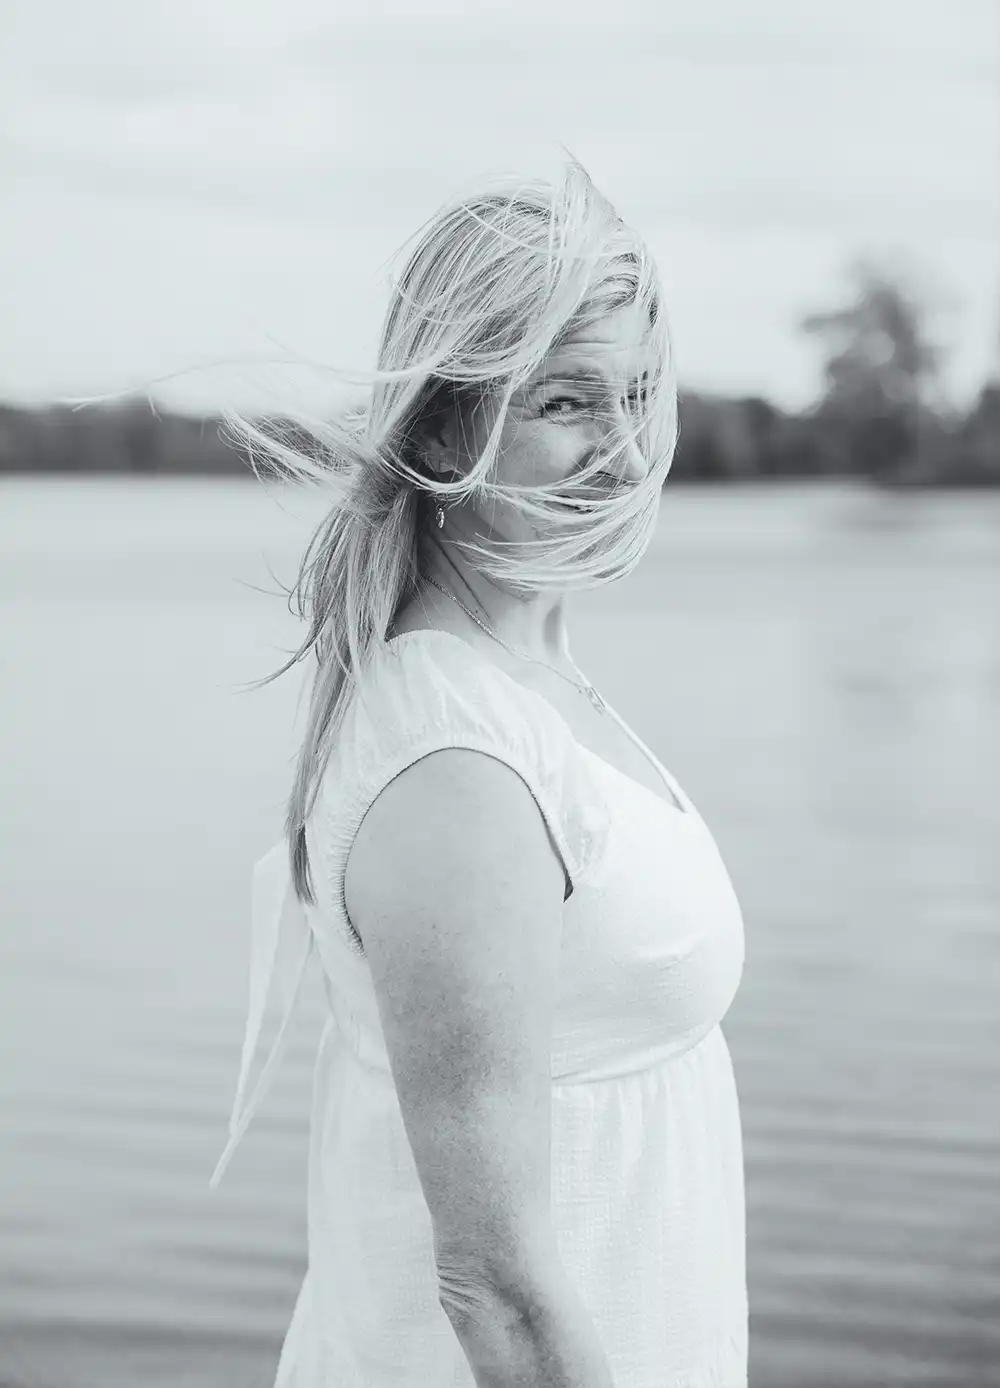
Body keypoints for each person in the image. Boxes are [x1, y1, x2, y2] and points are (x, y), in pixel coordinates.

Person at [209, 159, 748, 1387]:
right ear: (449, 423)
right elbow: (493, 1291)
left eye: (639, 393)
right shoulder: (453, 759)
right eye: (567, 400)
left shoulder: (532, 680)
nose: (621, 447)